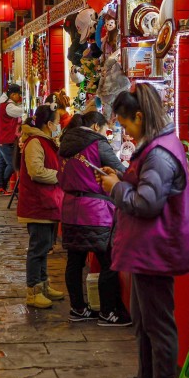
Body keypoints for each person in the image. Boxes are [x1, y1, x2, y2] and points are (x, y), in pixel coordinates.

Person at [97, 84, 189, 378]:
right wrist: (121, 179)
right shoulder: (156, 147)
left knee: (157, 323)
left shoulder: (159, 153)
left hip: (156, 250)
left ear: (140, 117)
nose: (125, 131)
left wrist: (116, 188)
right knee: (144, 319)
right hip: (147, 250)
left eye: (125, 124)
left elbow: (147, 203)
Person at [58, 111, 131, 325]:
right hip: (95, 210)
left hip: (70, 207)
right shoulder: (97, 143)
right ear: (96, 127)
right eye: (105, 129)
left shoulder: (64, 144)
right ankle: (108, 312)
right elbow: (120, 170)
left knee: (75, 261)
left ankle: (78, 308)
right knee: (108, 260)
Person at [17, 105, 65, 309]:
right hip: (38, 204)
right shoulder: (35, 142)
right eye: (57, 122)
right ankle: (33, 291)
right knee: (38, 248)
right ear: (49, 124)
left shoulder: (46, 141)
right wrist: (60, 176)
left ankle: (43, 285)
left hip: (48, 202)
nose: (59, 126)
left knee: (45, 247)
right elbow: (36, 171)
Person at [0, 83, 25, 196]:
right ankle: (2, 185)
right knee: (12, 164)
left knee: (2, 164)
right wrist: (26, 106)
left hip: (3, 139)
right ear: (12, 95)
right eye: (18, 94)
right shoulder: (8, 106)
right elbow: (21, 111)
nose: (19, 97)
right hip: (6, 139)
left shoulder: (5, 103)